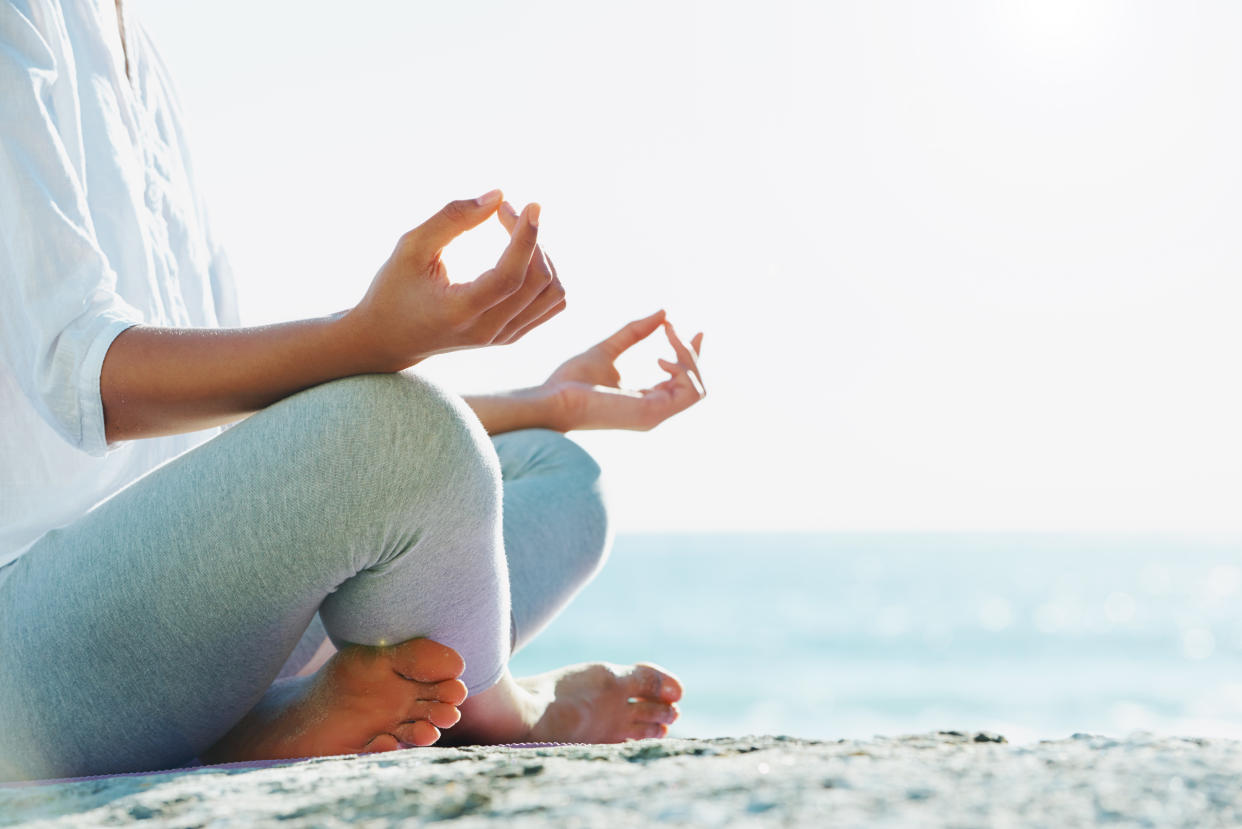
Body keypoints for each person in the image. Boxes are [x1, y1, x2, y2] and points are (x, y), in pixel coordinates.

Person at [0, 0, 706, 781]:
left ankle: (281, 713)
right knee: (408, 433)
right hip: (29, 649)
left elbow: (249, 441)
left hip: (179, 613)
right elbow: (85, 376)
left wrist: (547, 403)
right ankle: (492, 707)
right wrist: (369, 335)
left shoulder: (140, 50)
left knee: (553, 471)